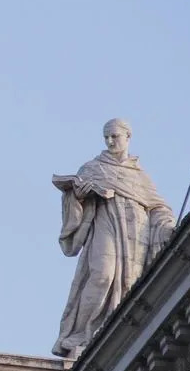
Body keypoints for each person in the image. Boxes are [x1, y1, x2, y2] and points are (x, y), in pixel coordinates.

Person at [51, 119, 175, 358]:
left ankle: (119, 336)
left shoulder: (140, 176)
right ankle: (81, 335)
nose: (109, 141)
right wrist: (78, 197)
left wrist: (167, 225)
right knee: (103, 274)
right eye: (106, 137)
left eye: (114, 136)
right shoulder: (92, 168)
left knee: (130, 283)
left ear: (128, 137)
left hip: (136, 232)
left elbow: (158, 207)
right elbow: (74, 203)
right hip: (106, 223)